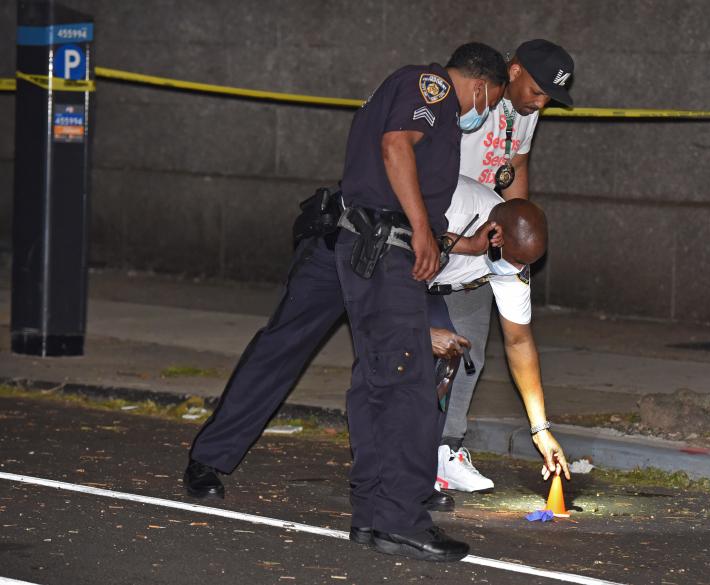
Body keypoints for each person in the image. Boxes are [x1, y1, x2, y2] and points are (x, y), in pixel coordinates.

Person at [182, 43, 508, 563]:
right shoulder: (437, 88)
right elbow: (395, 148)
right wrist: (425, 231)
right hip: (363, 243)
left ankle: (382, 510)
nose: (484, 114)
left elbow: (418, 207)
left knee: (388, 373)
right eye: (490, 103)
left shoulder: (424, 98)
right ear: (484, 87)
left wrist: (446, 240)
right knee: (317, 357)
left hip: (373, 247)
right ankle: (215, 459)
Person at [438, 39, 575, 493]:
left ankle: (445, 449)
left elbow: (516, 164)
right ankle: (405, 450)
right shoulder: (479, 99)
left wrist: (514, 229)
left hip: (489, 229)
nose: (539, 104)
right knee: (416, 341)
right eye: (536, 91)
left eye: (547, 100)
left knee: (467, 350)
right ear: (513, 72)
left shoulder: (527, 113)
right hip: (443, 218)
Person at [430, 175, 571, 498]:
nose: (517, 269)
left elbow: (519, 341)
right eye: (514, 260)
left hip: (459, 277)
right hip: (402, 260)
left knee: (464, 355)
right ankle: (395, 457)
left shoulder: (513, 259)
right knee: (410, 353)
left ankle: (444, 451)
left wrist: (540, 429)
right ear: (494, 235)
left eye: (525, 265)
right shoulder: (451, 206)